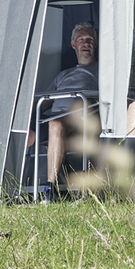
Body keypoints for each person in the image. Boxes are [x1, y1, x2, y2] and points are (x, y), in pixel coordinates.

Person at [28, 21, 97, 185]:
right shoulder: (63, 74)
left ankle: (49, 188)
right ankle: (9, 187)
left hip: (78, 119)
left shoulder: (102, 71)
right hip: (51, 117)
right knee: (23, 134)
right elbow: (44, 101)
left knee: (56, 124)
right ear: (73, 44)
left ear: (96, 43)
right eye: (81, 39)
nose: (85, 43)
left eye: (90, 39)